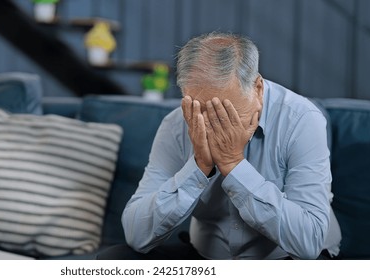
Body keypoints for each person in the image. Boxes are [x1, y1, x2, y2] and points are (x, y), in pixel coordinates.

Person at [98, 32, 341, 260]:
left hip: (286, 259)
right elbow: (136, 235)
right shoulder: (176, 125)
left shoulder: (301, 119)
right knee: (114, 259)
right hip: (207, 257)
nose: (217, 126)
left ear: (257, 88)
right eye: (203, 111)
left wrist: (232, 164)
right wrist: (198, 167)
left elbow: (309, 241)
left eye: (228, 112)